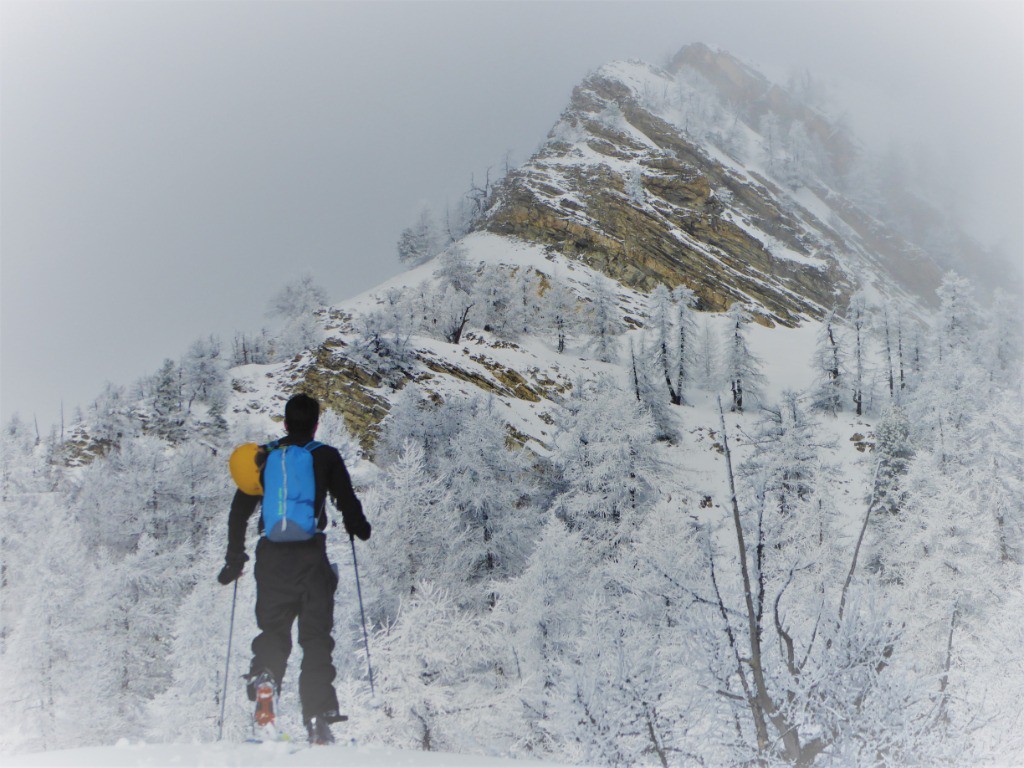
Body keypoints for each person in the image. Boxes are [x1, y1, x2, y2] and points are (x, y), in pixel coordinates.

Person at [217, 393, 371, 745]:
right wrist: (359, 527)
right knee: (315, 638)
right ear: (315, 424)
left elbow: (239, 511)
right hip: (311, 557)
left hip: (271, 558)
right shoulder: (325, 456)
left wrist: (234, 560)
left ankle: (266, 677)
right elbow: (348, 502)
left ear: (285, 424)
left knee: (273, 631)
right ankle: (318, 718)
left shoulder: (265, 458)